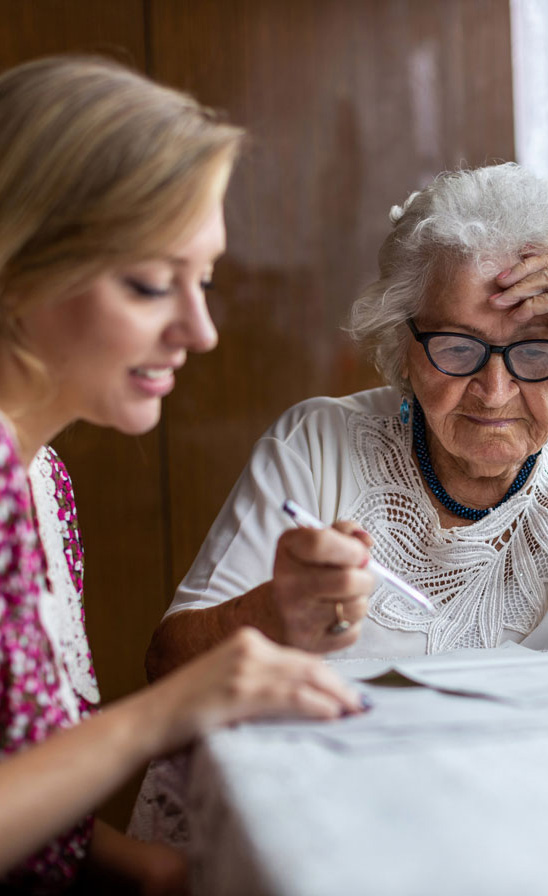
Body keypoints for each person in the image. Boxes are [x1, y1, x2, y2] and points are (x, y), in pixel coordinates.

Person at [0, 55, 374, 894]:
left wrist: (163, 872)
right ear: (15, 265)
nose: (201, 331)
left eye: (203, 280)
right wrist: (169, 711)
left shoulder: (39, 479)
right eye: (149, 284)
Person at [146, 161, 548, 675]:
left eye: (534, 351)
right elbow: (168, 663)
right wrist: (269, 614)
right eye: (456, 346)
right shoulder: (317, 446)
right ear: (404, 348)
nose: (494, 393)